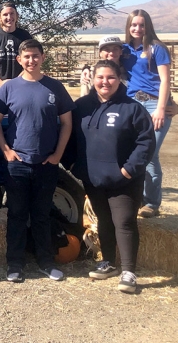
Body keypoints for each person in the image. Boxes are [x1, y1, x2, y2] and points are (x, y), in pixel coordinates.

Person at [0, 39, 74, 283]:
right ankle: (14, 264)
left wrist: (58, 154)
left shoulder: (55, 87)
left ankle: (46, 262)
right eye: (26, 57)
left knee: (42, 214)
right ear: (19, 60)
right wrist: (6, 150)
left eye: (35, 56)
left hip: (46, 163)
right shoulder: (9, 88)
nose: (31, 60)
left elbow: (67, 123)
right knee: (16, 214)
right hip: (17, 163)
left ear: (42, 57)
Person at [69, 60, 156, 293]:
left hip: (124, 181)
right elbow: (68, 137)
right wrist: (73, 165)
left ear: (119, 80)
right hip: (93, 178)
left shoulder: (132, 108)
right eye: (100, 77)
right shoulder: (81, 106)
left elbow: (146, 143)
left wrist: (128, 169)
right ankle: (108, 263)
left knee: (124, 222)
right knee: (104, 221)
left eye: (110, 77)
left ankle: (129, 272)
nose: (105, 82)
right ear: (92, 79)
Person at [122, 10, 174, 218]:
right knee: (132, 151)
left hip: (154, 104)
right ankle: (136, 198)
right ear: (128, 27)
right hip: (132, 104)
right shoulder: (125, 49)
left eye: (141, 25)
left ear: (148, 26)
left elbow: (165, 80)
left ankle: (152, 202)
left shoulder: (157, 48)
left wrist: (162, 108)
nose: (137, 29)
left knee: (150, 152)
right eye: (133, 25)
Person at [0, 1, 32, 91]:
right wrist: (0, 83)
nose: (9, 17)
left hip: (20, 87)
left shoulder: (25, 36)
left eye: (12, 13)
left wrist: (16, 82)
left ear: (17, 15)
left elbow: (29, 62)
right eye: (5, 14)